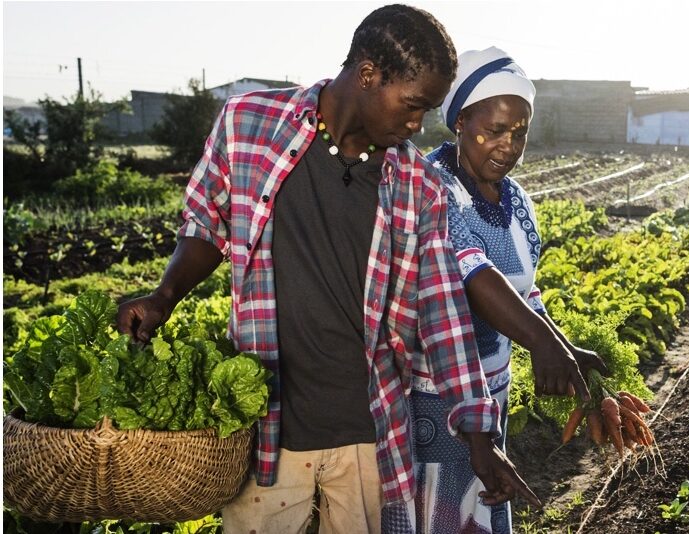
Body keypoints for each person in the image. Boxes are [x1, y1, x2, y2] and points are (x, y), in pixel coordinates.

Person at [116, 8, 554, 534]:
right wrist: (165, 294)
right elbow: (207, 224)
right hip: (269, 435)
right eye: (414, 105)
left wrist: (480, 440)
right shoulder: (249, 124)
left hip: (368, 440)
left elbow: (441, 314)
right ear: (368, 75)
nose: (417, 125)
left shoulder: (418, 184)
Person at [382, 47, 608, 534]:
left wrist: (564, 346)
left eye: (520, 132)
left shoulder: (518, 202)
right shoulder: (431, 186)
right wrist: (544, 346)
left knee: (480, 508)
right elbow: (470, 269)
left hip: (492, 397)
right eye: (495, 129)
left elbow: (525, 291)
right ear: (460, 121)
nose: (508, 145)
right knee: (435, 517)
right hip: (435, 399)